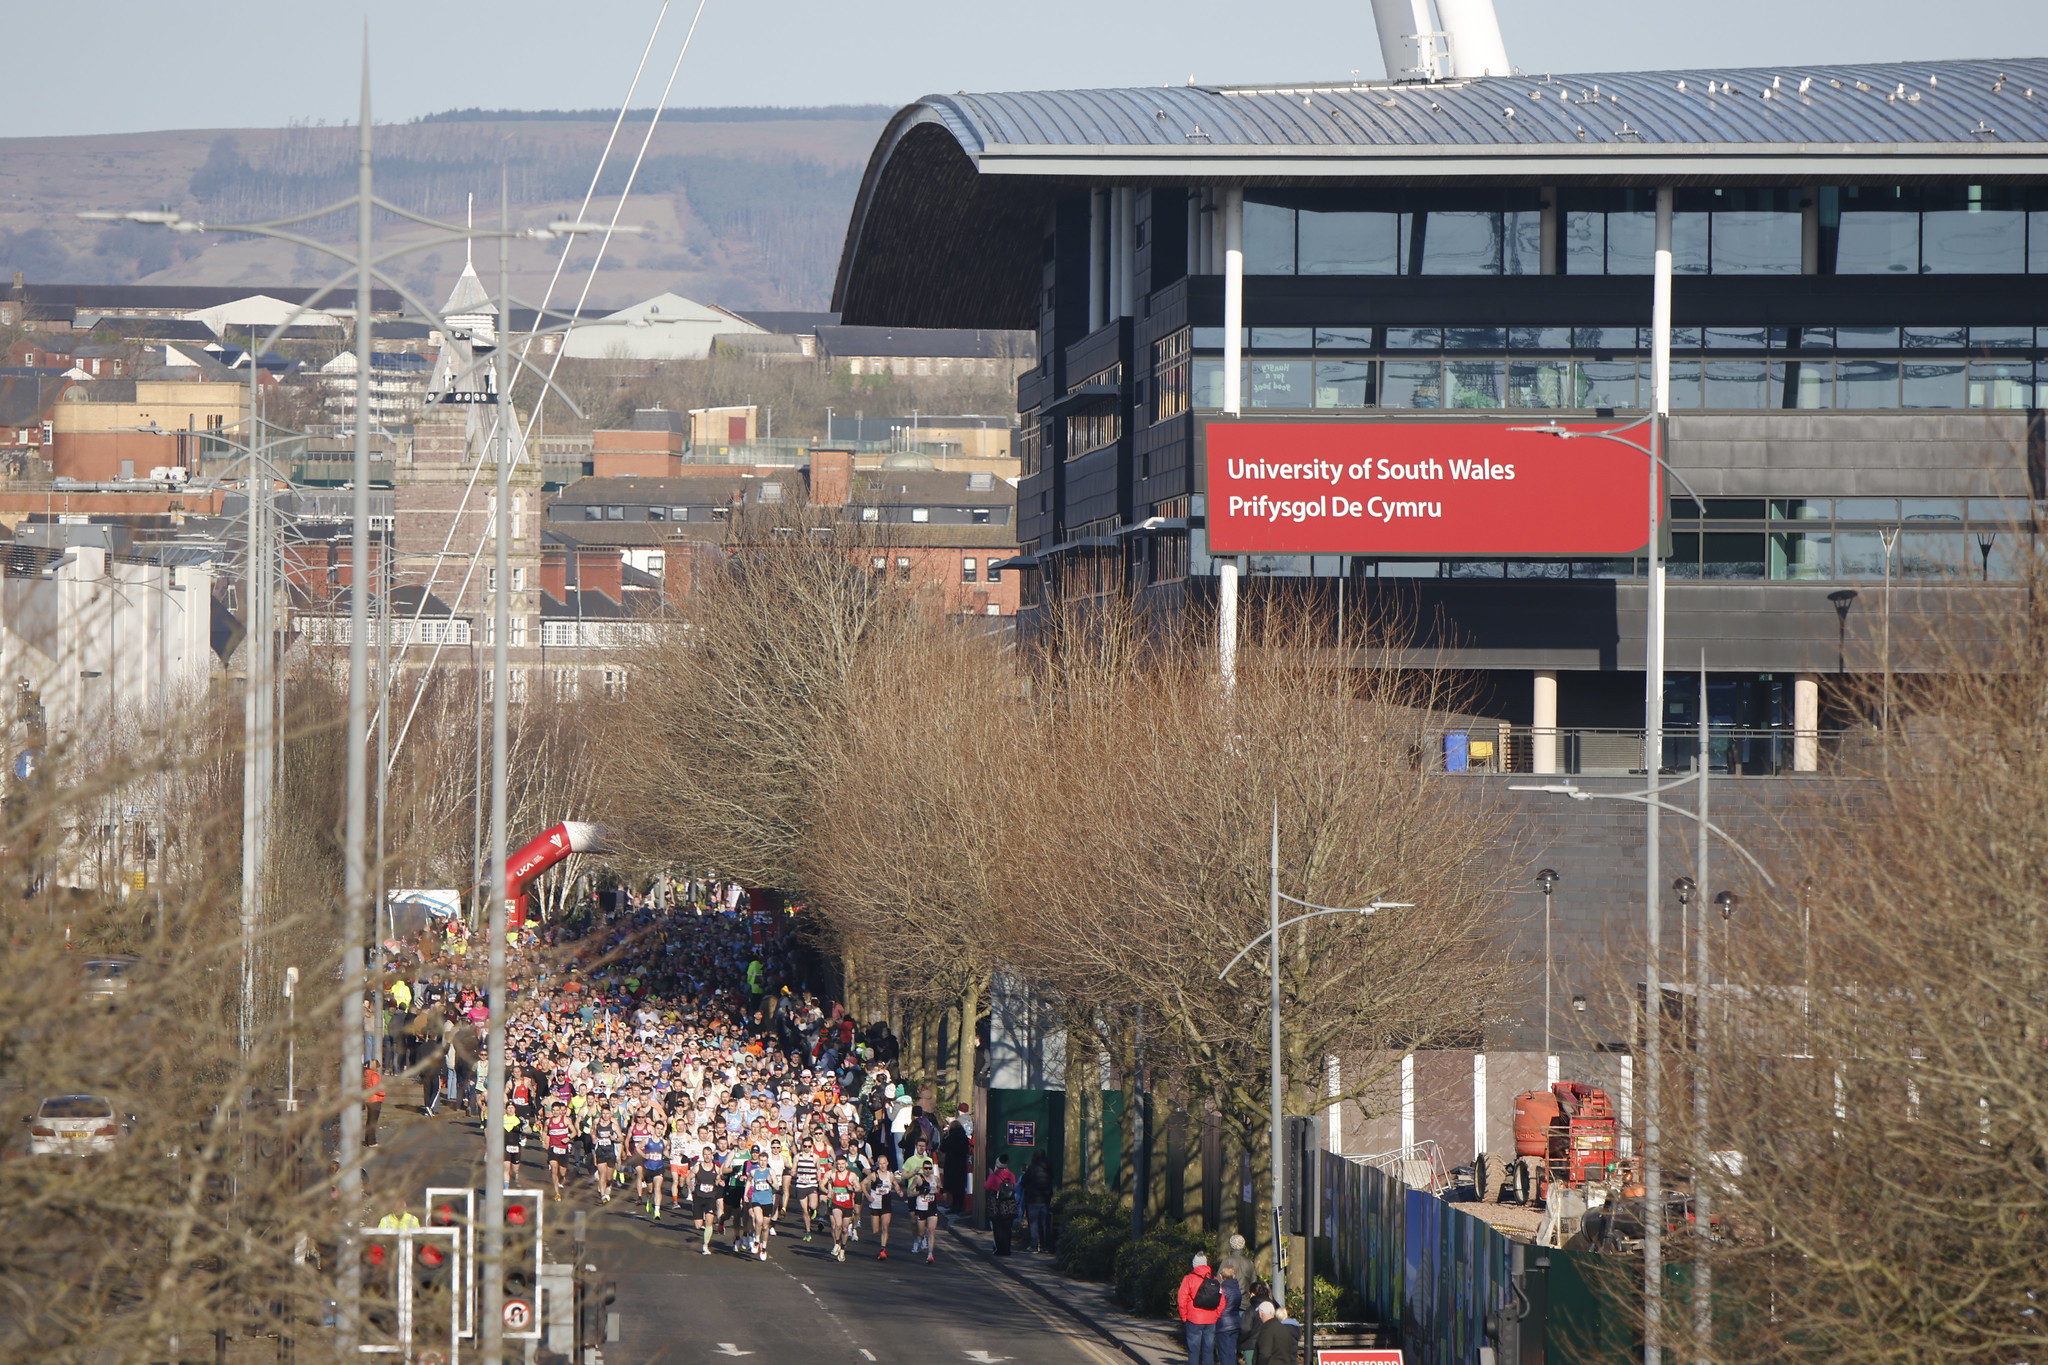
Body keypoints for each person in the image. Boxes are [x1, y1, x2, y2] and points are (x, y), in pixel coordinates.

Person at [1177, 1252, 1225, 1365]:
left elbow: (1181, 1299)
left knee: (1194, 1350)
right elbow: (1222, 1301)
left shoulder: (1189, 1279)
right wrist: (1216, 1315)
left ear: (1194, 1264)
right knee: (1208, 1350)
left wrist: (1184, 1317)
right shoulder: (1214, 1279)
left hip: (1194, 1319)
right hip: (1211, 1320)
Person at [824, 1155, 861, 1263]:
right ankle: (836, 1244)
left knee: (845, 1229)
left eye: (842, 1164)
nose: (840, 1166)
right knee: (838, 1224)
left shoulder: (851, 1175)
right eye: (838, 1164)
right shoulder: (833, 1175)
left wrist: (852, 1188)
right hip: (837, 1204)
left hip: (848, 1205)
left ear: (846, 1164)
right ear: (836, 1165)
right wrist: (829, 1193)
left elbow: (858, 1188)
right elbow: (829, 1185)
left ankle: (843, 1249)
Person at [863, 1156, 898, 1260]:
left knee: (885, 1227)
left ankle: (883, 1249)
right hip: (875, 1203)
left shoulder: (890, 1175)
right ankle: (880, 1246)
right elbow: (863, 1184)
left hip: (886, 1203)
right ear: (878, 1164)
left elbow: (895, 1184)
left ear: (887, 1163)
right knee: (875, 1230)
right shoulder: (874, 1175)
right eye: (880, 1164)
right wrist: (868, 1196)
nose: (882, 1166)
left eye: (884, 1163)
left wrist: (899, 1190)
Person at [984, 1153, 1020, 1255]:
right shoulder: (1011, 1175)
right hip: (1009, 1204)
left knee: (998, 1228)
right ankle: (1007, 1249)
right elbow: (1015, 1187)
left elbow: (987, 1187)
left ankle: (999, 1250)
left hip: (996, 1204)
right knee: (1007, 1228)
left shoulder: (993, 1176)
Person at [940, 1108, 973, 1216]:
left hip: (951, 1163)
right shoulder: (963, 1137)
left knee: (953, 1186)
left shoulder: (951, 1136)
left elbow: (943, 1148)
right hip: (961, 1164)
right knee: (960, 1186)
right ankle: (960, 1206)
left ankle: (955, 1206)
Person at [1021, 1151, 1054, 1253]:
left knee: (1034, 1223)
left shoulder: (1032, 1168)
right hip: (1045, 1199)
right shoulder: (1049, 1168)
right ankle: (1046, 1247)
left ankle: (1034, 1246)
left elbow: (1023, 1182)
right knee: (1045, 1224)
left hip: (1033, 1199)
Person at [1214, 1265, 1244, 1365]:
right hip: (1235, 1322)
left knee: (1224, 1354)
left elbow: (1220, 1305)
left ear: (1222, 1276)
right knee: (1231, 1352)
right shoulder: (1237, 1290)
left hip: (1223, 1324)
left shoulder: (1222, 1290)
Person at [362, 1063, 384, 1148]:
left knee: (369, 1120)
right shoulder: (374, 1075)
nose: (378, 1069)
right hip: (375, 1099)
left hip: (369, 1099)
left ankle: (368, 1140)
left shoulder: (367, 1074)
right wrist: (383, 1093)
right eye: (378, 1067)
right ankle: (372, 1141)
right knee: (373, 1122)